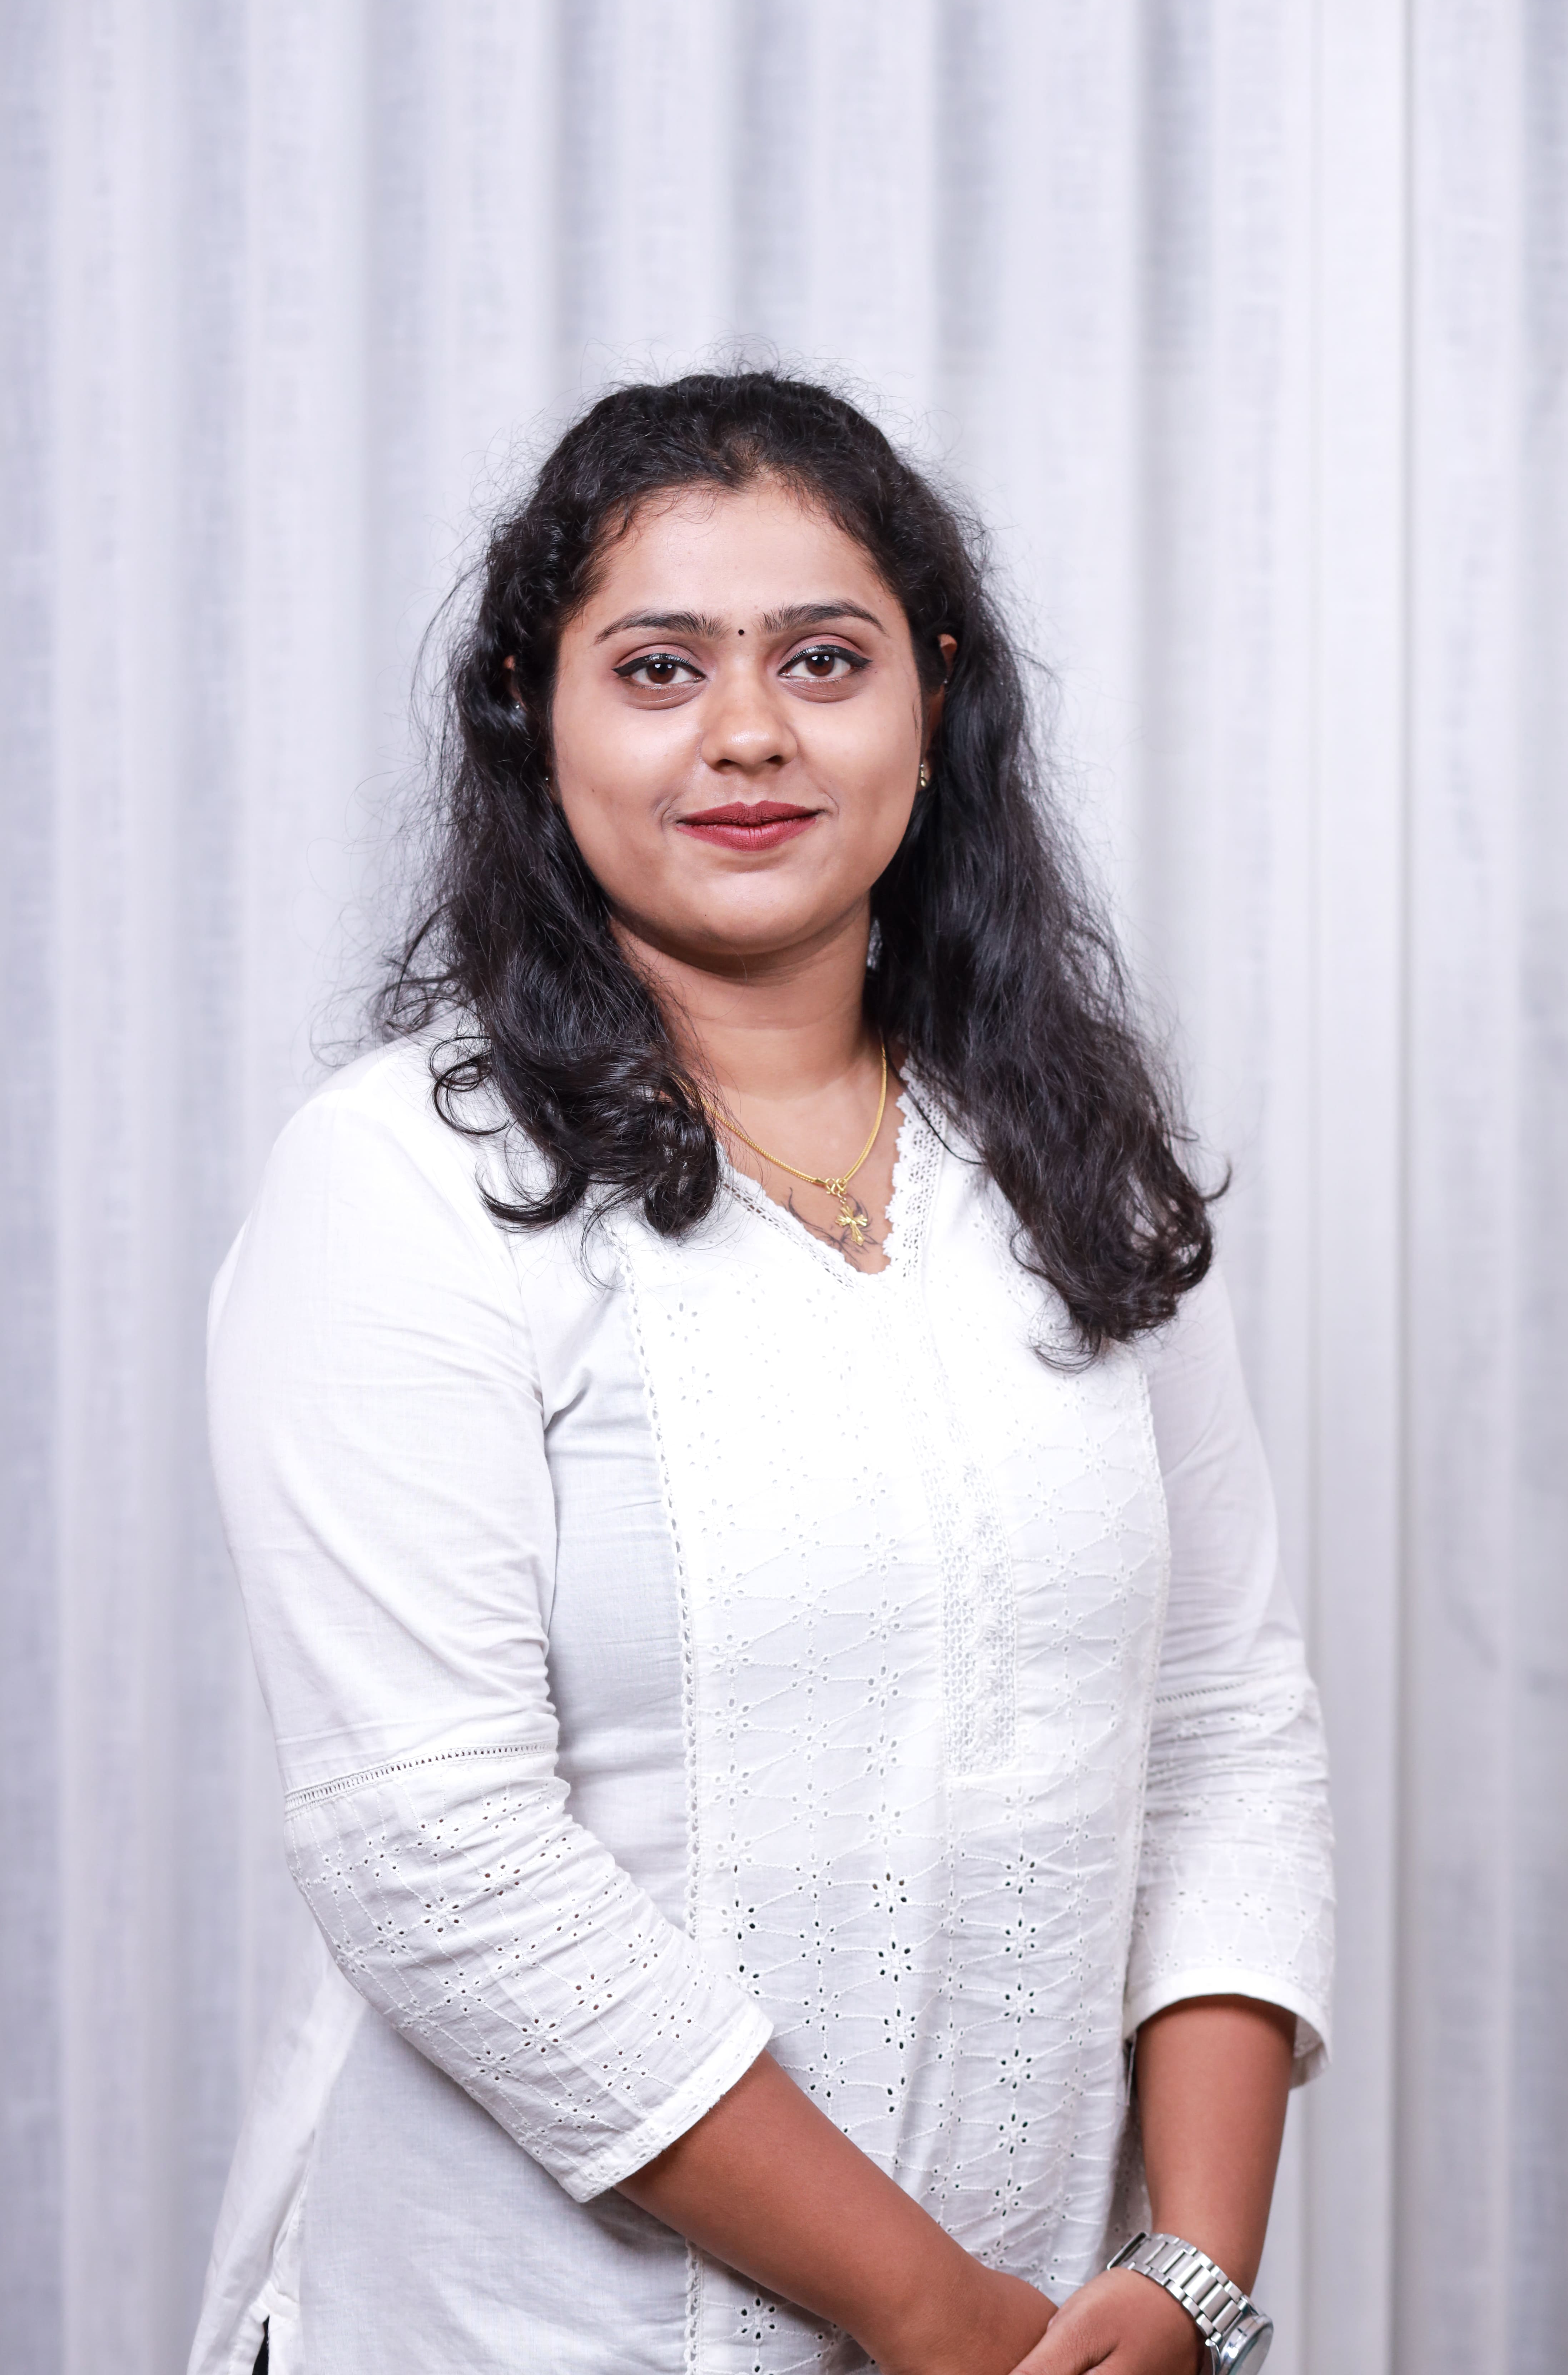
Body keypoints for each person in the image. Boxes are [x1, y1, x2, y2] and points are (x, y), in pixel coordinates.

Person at [189, 370, 1333, 2375]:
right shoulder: (402, 1181)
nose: (747, 734)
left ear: (934, 702)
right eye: (658, 668)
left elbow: (1225, 1726)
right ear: (533, 718)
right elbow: (435, 1855)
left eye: (824, 659)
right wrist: (930, 2312)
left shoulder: (1072, 1157)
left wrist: (1191, 2277)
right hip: (528, 2337)